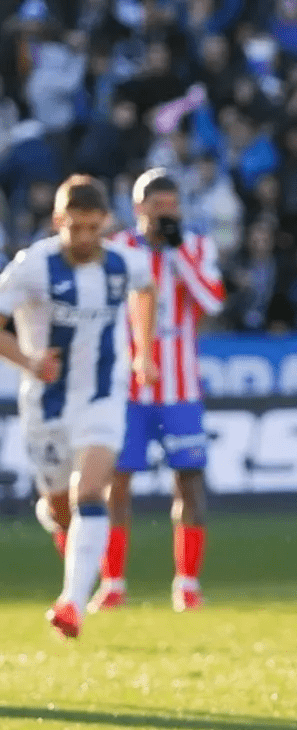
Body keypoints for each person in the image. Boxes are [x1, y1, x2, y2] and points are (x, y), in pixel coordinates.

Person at [0, 174, 156, 638]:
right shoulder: (32, 267)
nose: (85, 238)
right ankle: (60, 525)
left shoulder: (124, 262)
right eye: (75, 228)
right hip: (45, 404)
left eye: (93, 227)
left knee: (91, 492)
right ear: (58, 221)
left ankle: (72, 605)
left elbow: (146, 290)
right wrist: (29, 360)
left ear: (106, 222)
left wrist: (144, 350)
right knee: (62, 508)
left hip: (103, 396)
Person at [89, 169, 224, 613]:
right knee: (117, 482)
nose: (166, 214)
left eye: (172, 206)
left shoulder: (197, 246)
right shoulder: (118, 249)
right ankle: (113, 581)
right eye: (157, 206)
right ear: (138, 208)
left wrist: (178, 252)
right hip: (125, 390)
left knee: (189, 480)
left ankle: (187, 582)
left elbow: (213, 301)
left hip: (180, 388)